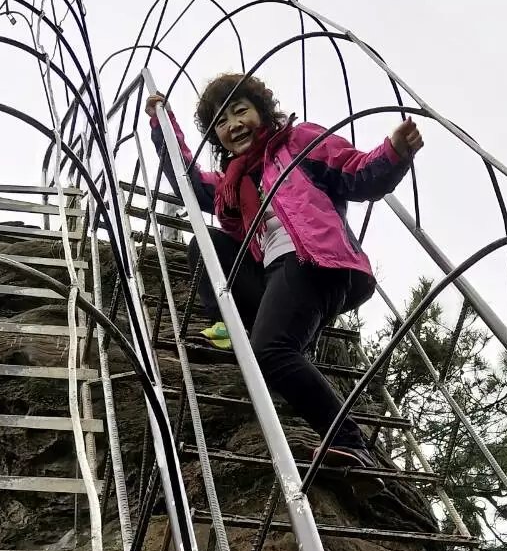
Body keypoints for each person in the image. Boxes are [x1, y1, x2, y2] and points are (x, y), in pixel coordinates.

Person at [145, 73, 422, 472]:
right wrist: (163, 124)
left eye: (241, 111)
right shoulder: (232, 181)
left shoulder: (299, 142)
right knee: (206, 244)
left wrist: (394, 152)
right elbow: (189, 182)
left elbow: (357, 173)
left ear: (262, 111)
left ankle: (351, 443)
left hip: (314, 261)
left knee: (272, 351)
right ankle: (233, 329)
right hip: (273, 271)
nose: (234, 125)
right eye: (221, 122)